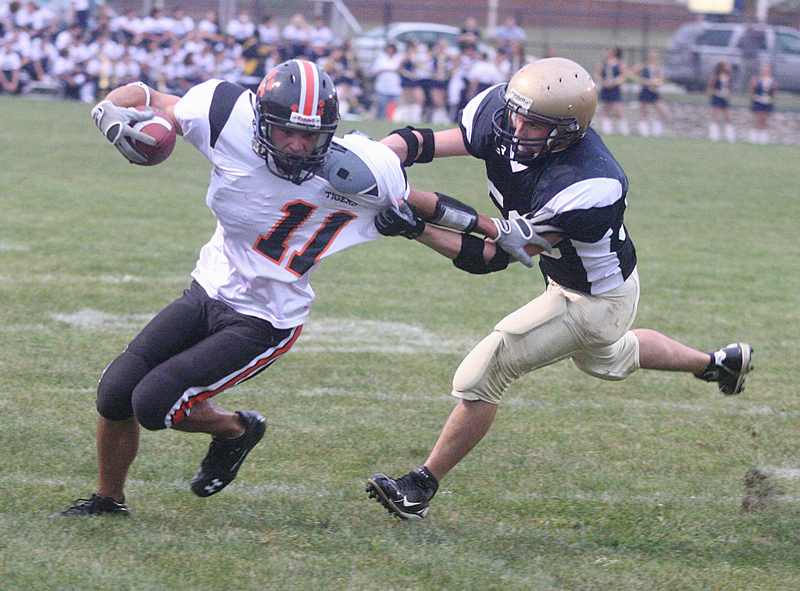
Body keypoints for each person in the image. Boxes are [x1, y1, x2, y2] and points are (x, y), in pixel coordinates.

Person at [364, 57, 754, 520]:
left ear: (569, 130)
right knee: (612, 358)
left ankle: (419, 488)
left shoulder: (590, 183)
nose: (517, 127)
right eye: (516, 114)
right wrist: (377, 157)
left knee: (485, 371)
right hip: (583, 282)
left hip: (595, 300)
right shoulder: (504, 113)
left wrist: (413, 218)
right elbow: (423, 142)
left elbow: (491, 257)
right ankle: (718, 364)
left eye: (535, 123)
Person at [50, 59, 409, 517]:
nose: (298, 147)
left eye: (311, 135)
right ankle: (108, 500)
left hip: (266, 316)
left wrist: (485, 235)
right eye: (286, 132)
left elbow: (421, 207)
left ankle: (236, 430)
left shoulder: (360, 172)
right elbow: (150, 95)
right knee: (116, 391)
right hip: (210, 286)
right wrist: (108, 112)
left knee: (154, 402)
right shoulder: (226, 115)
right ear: (260, 121)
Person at [630, 49, 667, 137]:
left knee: (663, 111)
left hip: (654, 92)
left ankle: (656, 131)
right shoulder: (643, 66)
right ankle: (644, 132)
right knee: (643, 112)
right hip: (645, 91)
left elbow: (661, 80)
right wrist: (641, 80)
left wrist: (655, 82)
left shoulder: (658, 68)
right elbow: (630, 73)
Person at [596, 46, 629, 136]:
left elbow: (624, 75)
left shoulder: (619, 63)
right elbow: (598, 74)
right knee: (606, 109)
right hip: (605, 87)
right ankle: (607, 129)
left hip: (615, 88)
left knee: (618, 108)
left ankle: (624, 130)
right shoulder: (604, 63)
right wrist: (603, 82)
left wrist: (615, 82)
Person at [748, 61, 777, 144]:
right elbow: (752, 90)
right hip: (758, 101)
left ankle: (763, 139)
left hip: (768, 102)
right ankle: (753, 138)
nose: (765, 70)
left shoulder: (772, 81)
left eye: (767, 69)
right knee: (758, 119)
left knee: (765, 120)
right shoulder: (757, 80)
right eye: (764, 69)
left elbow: (774, 92)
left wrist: (771, 98)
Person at [708, 60, 735, 142]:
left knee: (728, 116)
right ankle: (714, 136)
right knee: (715, 115)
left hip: (725, 97)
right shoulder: (716, 76)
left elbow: (729, 86)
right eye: (726, 65)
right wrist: (712, 94)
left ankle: (730, 136)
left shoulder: (729, 76)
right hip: (717, 96)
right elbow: (711, 86)